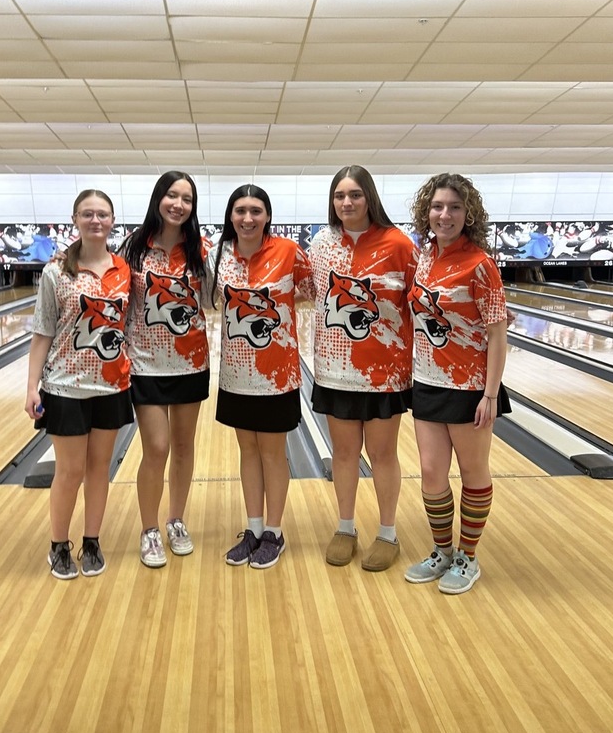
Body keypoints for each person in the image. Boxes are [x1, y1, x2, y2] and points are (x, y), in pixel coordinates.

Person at [405, 173, 510, 595]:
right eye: (437, 206)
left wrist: (490, 393)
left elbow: (498, 333)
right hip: (427, 380)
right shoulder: (423, 257)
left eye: (454, 207)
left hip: (469, 386)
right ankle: (442, 551)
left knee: (472, 471)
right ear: (425, 212)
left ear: (469, 214)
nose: (444, 214)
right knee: (431, 473)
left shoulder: (480, 264)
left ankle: (468, 556)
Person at [310, 166, 418, 571]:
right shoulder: (322, 243)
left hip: (384, 372)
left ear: (369, 197)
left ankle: (388, 533)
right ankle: (345, 527)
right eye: (340, 195)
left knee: (382, 453)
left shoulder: (398, 244)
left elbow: (425, 297)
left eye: (355, 194)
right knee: (343, 453)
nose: (347, 203)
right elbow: (302, 288)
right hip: (334, 369)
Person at [25, 189, 133, 580]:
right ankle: (58, 545)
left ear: (112, 221)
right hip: (65, 387)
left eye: (102, 214)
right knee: (70, 471)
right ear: (75, 219)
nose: (96, 220)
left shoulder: (124, 270)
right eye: (88, 214)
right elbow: (42, 332)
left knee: (99, 469)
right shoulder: (56, 272)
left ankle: (92, 541)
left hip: (111, 386)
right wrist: (32, 385)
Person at [211, 184, 314, 569]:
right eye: (240, 210)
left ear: (267, 215)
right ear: (231, 215)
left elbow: (312, 288)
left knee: (272, 453)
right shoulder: (219, 255)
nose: (248, 218)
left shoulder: (288, 251)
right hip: (236, 375)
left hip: (277, 373)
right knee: (248, 451)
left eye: (256, 210)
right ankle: (253, 529)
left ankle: (274, 531)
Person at [120, 171, 210, 568]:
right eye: (172, 195)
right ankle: (149, 529)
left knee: (185, 447)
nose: (178, 204)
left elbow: (214, 297)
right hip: (145, 363)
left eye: (186, 199)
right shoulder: (133, 246)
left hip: (191, 361)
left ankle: (176, 520)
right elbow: (114, 297)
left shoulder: (201, 249)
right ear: (159, 198)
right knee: (156, 447)